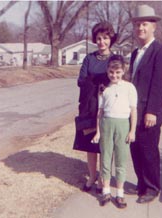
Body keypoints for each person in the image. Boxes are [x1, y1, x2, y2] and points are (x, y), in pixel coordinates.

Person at [129, 4, 162, 204]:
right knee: (136, 150)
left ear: (153, 26)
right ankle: (142, 184)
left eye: (144, 24)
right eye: (137, 24)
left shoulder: (160, 52)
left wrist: (152, 111)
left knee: (148, 152)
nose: (140, 28)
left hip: (149, 113)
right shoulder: (136, 53)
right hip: (134, 114)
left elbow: (161, 84)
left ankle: (153, 188)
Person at [73, 21, 117, 194]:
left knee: (106, 146)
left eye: (105, 38)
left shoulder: (115, 60)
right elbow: (81, 81)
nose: (101, 42)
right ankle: (92, 176)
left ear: (110, 39)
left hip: (109, 109)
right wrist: (100, 81)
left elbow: (117, 82)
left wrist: (97, 81)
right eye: (98, 38)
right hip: (89, 107)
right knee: (91, 145)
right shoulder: (89, 58)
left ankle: (103, 178)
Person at [92, 55, 137, 208]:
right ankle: (105, 191)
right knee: (105, 158)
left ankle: (120, 193)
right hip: (107, 125)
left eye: (118, 72)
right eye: (111, 72)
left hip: (123, 125)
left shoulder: (129, 87)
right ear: (107, 71)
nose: (114, 75)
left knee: (121, 160)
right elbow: (100, 112)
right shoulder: (104, 88)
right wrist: (98, 132)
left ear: (123, 71)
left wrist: (132, 131)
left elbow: (133, 111)